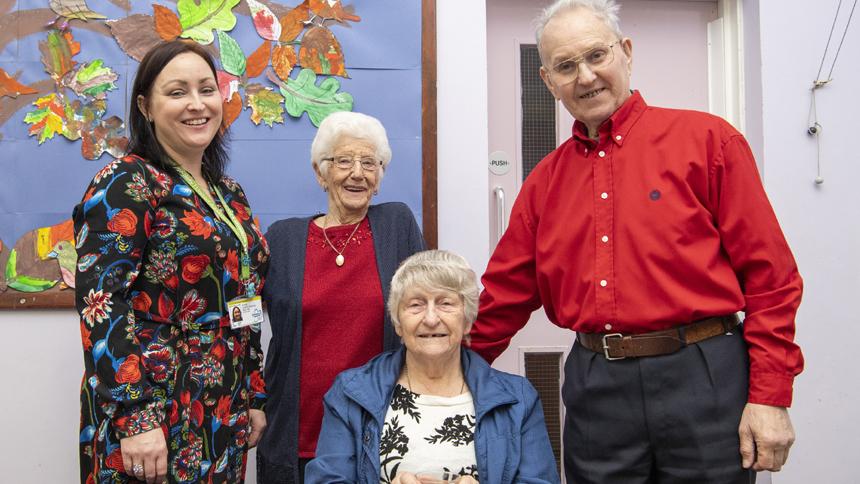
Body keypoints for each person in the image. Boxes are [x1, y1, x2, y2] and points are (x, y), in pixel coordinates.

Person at [469, 1, 803, 482]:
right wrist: (444, 378)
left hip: (706, 376)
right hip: (596, 388)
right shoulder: (544, 182)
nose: (585, 77)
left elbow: (772, 281)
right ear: (548, 81)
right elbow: (503, 297)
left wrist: (770, 395)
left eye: (596, 56)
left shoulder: (709, 142)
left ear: (625, 52)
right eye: (566, 66)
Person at [75, 40, 269, 483]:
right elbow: (102, 303)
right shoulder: (127, 181)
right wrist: (136, 418)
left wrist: (254, 392)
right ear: (145, 105)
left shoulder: (229, 193)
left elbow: (245, 298)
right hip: (152, 412)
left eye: (207, 89)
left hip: (222, 406)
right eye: (177, 92)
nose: (197, 104)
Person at [257, 111, 426, 483]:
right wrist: (253, 401)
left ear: (380, 179)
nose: (358, 173)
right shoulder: (282, 239)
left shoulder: (397, 225)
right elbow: (245, 324)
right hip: (298, 431)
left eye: (370, 163)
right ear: (320, 173)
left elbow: (427, 316)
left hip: (379, 429)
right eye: (344, 161)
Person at [305, 250, 560, 483]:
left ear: (468, 319)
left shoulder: (517, 399)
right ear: (397, 323)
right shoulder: (352, 393)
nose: (430, 318)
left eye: (445, 303)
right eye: (415, 305)